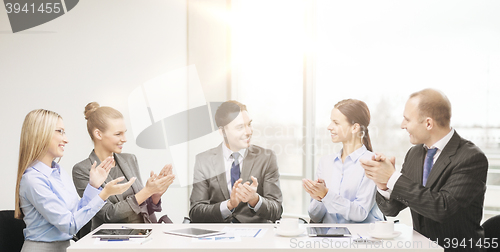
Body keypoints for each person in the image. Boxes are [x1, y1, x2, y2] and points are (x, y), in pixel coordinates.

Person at [360, 89, 488, 251]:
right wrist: (384, 185)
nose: (402, 125)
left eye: (407, 119)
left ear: (428, 123)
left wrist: (392, 177)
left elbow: (442, 208)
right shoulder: (415, 154)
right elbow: (392, 209)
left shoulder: (471, 157)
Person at [15, 109, 135, 252]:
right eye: (59, 131)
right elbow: (69, 225)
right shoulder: (32, 180)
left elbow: (76, 213)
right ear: (41, 134)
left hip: (65, 247)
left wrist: (93, 185)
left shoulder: (59, 172)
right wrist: (104, 194)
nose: (66, 139)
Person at [73, 102, 175, 232]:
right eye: (118, 134)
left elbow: (142, 208)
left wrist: (155, 195)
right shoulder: (82, 170)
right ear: (98, 134)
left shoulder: (129, 159)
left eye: (124, 133)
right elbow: (108, 215)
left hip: (146, 235)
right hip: (113, 241)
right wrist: (146, 191)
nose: (125, 139)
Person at [189, 100, 283, 223]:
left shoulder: (267, 158)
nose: (248, 132)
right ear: (222, 131)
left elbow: (277, 211)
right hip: (217, 237)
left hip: (256, 238)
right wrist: (229, 205)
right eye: (240, 127)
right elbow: (196, 212)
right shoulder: (204, 160)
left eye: (249, 124)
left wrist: (255, 199)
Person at [303, 99, 384, 223]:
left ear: (355, 127)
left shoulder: (372, 163)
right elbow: (315, 217)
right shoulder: (325, 162)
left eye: (336, 122)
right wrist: (319, 198)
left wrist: (326, 195)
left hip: (358, 240)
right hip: (327, 239)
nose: (329, 127)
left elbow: (360, 213)